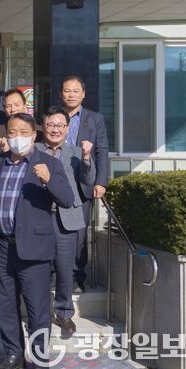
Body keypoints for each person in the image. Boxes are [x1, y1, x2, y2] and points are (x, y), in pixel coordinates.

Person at [0, 113, 73, 369]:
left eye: (23, 131)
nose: (17, 136)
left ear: (34, 135)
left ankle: (39, 363)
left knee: (36, 310)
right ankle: (13, 353)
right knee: (5, 306)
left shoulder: (48, 163)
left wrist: (48, 180)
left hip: (34, 248)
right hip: (2, 245)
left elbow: (67, 199)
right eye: (12, 132)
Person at [35, 106, 96, 336]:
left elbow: (87, 181)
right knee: (38, 269)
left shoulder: (76, 152)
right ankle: (39, 312)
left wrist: (87, 158)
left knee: (65, 268)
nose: (55, 130)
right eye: (50, 125)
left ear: (68, 128)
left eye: (60, 125)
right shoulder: (34, 149)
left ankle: (64, 313)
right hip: (39, 216)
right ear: (43, 126)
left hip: (66, 217)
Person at [60, 75, 109, 293]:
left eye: (75, 91)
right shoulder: (54, 116)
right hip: (57, 180)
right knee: (55, 229)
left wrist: (101, 182)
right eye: (67, 90)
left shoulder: (95, 119)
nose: (71, 94)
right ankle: (56, 273)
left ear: (83, 94)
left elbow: (102, 151)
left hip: (83, 181)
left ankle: (76, 276)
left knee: (79, 232)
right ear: (61, 93)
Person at [0, 89, 43, 153]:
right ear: (5, 110)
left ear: (25, 106)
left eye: (16, 105)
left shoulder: (39, 131)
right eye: (8, 106)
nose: (13, 109)